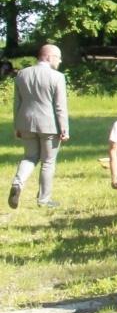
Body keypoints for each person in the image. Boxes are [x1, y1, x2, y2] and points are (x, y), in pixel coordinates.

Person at [10, 44, 70, 210]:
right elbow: (60, 106)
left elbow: (17, 103)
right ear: (49, 57)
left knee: (29, 157)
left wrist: (17, 126)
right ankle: (44, 200)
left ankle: (18, 182)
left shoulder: (22, 74)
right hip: (49, 124)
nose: (59, 61)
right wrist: (64, 128)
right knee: (48, 162)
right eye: (58, 58)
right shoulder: (57, 76)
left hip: (26, 122)